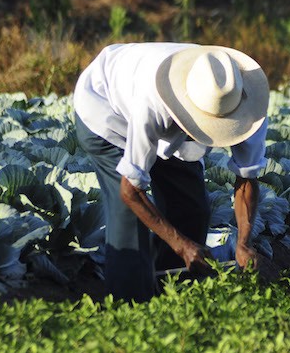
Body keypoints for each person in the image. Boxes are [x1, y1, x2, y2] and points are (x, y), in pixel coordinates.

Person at [73, 42, 269, 302]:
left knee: (193, 209)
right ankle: (130, 310)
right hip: (106, 109)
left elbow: (247, 178)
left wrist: (244, 242)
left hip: (170, 119)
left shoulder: (245, 105)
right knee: (129, 222)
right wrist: (182, 245)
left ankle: (171, 294)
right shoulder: (152, 103)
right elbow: (130, 191)